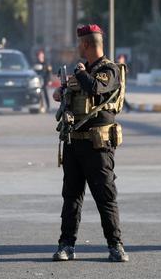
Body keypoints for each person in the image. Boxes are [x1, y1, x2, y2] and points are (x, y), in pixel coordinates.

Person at [52, 24, 129, 262]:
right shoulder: (81, 71)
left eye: (80, 43)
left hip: (98, 147)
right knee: (71, 197)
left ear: (86, 44)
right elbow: (66, 93)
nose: (78, 47)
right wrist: (61, 91)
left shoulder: (110, 70)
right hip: (74, 143)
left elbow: (95, 87)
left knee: (105, 196)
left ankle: (115, 245)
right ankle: (66, 245)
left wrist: (81, 72)